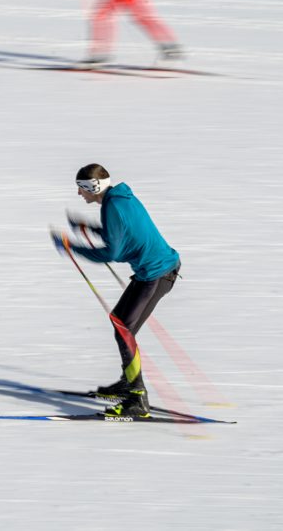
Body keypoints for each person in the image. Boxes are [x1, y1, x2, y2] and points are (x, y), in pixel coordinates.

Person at [51, 163, 181, 418]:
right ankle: (128, 383)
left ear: (94, 187)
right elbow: (122, 233)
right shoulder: (119, 200)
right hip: (159, 271)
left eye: (81, 189)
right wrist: (89, 229)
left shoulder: (113, 207)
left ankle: (137, 399)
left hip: (156, 274)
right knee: (123, 325)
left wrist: (72, 247)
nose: (80, 194)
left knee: (123, 327)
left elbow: (113, 252)